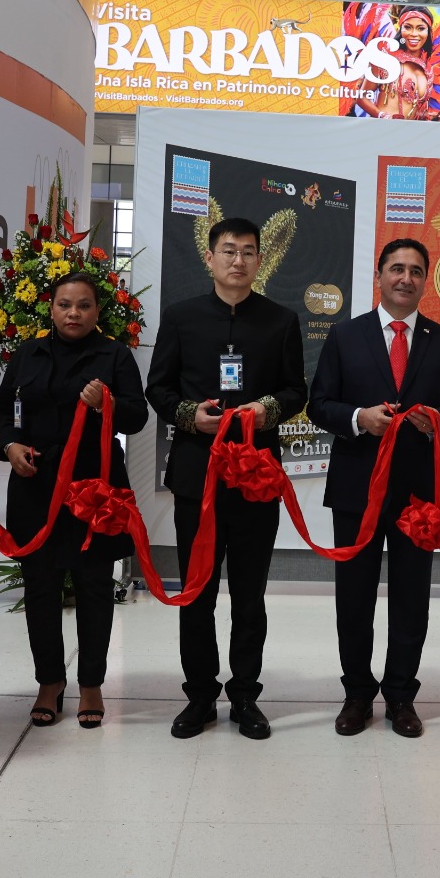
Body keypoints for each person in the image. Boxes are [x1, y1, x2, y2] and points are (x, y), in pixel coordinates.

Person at [145, 216, 307, 740]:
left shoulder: (281, 321)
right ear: (210, 257)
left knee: (250, 593)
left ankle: (245, 696)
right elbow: (159, 389)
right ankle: (198, 697)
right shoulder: (181, 317)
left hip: (257, 476)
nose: (238, 260)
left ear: (261, 260)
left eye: (248, 251)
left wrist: (266, 410)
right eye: (229, 250)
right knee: (197, 591)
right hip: (199, 475)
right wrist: (193, 415)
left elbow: (295, 391)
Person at [309, 238, 440, 738]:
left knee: (411, 596)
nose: (406, 278)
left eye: (416, 271)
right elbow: (320, 404)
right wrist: (360, 418)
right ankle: (357, 693)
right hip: (357, 490)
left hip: (418, 495)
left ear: (426, 281)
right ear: (379, 275)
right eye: (397, 268)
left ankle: (402, 695)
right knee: (353, 596)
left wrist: (432, 420)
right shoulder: (344, 335)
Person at [0, 272, 148, 729]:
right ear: (51, 309)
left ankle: (93, 683)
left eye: (83, 305)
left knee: (94, 587)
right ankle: (49, 682)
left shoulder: (114, 355)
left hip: (91, 490)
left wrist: (107, 403)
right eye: (64, 305)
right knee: (40, 585)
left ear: (98, 311)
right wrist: (8, 445)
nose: (73, 313)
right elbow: (3, 410)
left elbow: (137, 416)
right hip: (34, 485)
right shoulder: (27, 353)